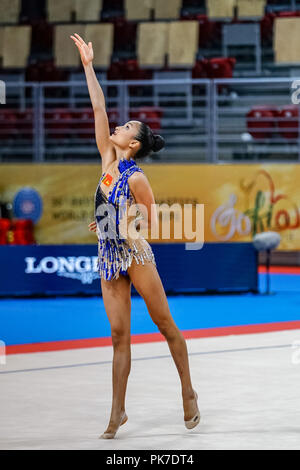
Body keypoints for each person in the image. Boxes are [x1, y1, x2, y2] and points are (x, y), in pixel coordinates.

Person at [71, 33, 200, 439]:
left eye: (125, 126)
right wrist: (89, 66)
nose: (117, 125)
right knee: (117, 335)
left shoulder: (138, 177)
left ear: (135, 143)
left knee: (165, 324)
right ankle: (117, 412)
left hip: (136, 255)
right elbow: (98, 106)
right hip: (108, 255)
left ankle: (188, 392)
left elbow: (149, 221)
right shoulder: (107, 159)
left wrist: (119, 225)